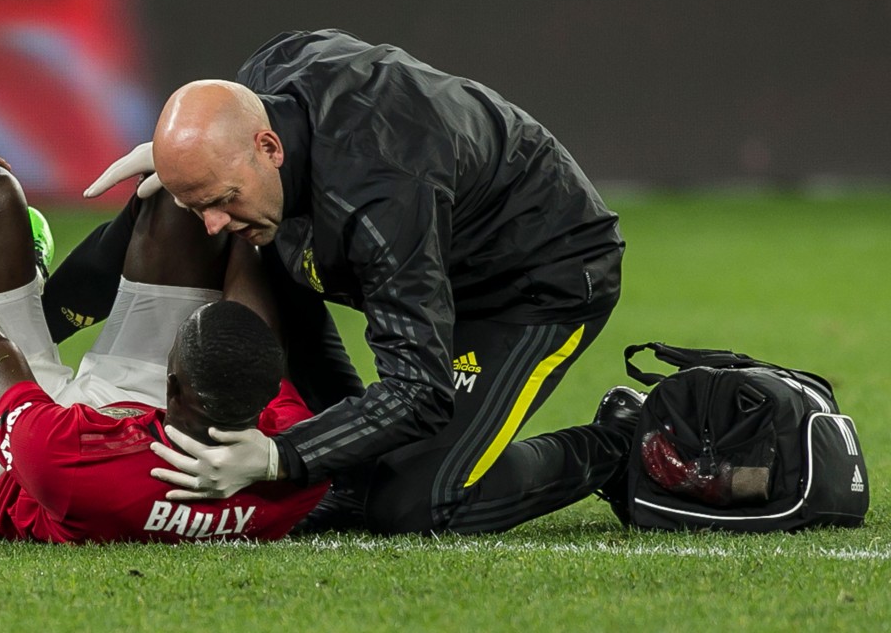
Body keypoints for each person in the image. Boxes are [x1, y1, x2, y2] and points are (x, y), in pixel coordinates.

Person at [80, 28, 642, 534]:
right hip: (433, 238)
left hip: (534, 279)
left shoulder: (381, 197)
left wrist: (281, 457)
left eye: (223, 198)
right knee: (249, 241)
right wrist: (185, 160)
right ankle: (350, 473)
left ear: (269, 148)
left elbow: (418, 391)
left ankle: (620, 440)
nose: (213, 221)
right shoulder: (264, 93)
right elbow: (159, 215)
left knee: (414, 505)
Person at [0, 147, 327, 543]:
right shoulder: (295, 460)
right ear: (270, 391)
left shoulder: (61, 459)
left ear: (174, 383)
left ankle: (26, 278)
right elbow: (255, 330)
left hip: (34, 465)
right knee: (183, 193)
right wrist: (234, 203)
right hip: (127, 435)